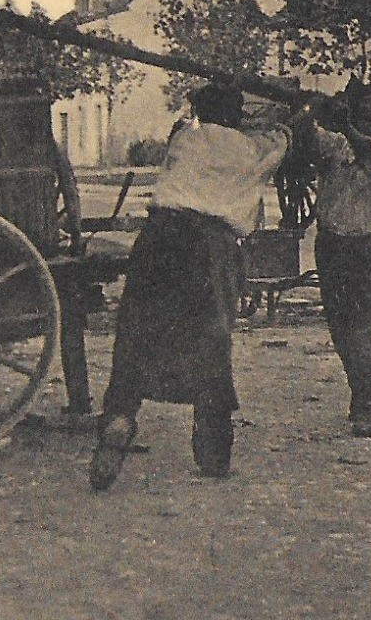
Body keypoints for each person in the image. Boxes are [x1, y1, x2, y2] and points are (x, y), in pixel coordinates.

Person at [89, 84, 300, 491]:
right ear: (237, 115)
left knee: (137, 334)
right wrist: (290, 117)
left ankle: (119, 416)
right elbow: (284, 139)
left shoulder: (184, 139)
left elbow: (185, 131)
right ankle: (213, 453)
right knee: (211, 343)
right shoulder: (251, 148)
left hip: (157, 239)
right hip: (207, 246)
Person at [301, 85, 371, 437]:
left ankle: (368, 406)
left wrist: (346, 125)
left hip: (368, 250)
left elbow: (367, 152)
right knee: (342, 330)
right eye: (365, 118)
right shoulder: (336, 146)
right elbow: (308, 137)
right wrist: (309, 108)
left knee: (370, 332)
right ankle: (366, 388)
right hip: (332, 248)